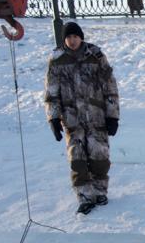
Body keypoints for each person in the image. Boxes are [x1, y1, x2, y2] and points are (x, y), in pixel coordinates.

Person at [44, 21, 120, 215]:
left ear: (81, 37)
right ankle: (85, 196)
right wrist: (53, 118)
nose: (72, 40)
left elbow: (110, 87)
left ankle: (100, 191)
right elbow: (51, 92)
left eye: (75, 36)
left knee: (99, 157)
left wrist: (113, 116)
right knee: (77, 160)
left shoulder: (96, 56)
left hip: (97, 117)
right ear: (64, 39)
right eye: (68, 37)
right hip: (72, 119)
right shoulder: (57, 60)